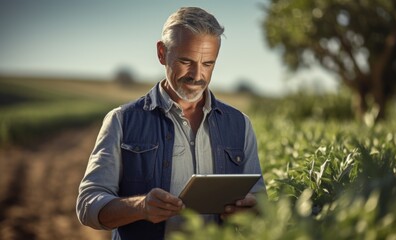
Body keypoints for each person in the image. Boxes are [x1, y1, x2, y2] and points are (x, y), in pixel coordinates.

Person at [76, 6, 266, 240]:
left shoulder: (240, 125)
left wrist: (249, 209)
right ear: (161, 53)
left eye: (208, 64)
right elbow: (87, 205)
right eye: (186, 61)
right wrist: (141, 207)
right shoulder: (121, 120)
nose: (197, 75)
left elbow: (259, 201)